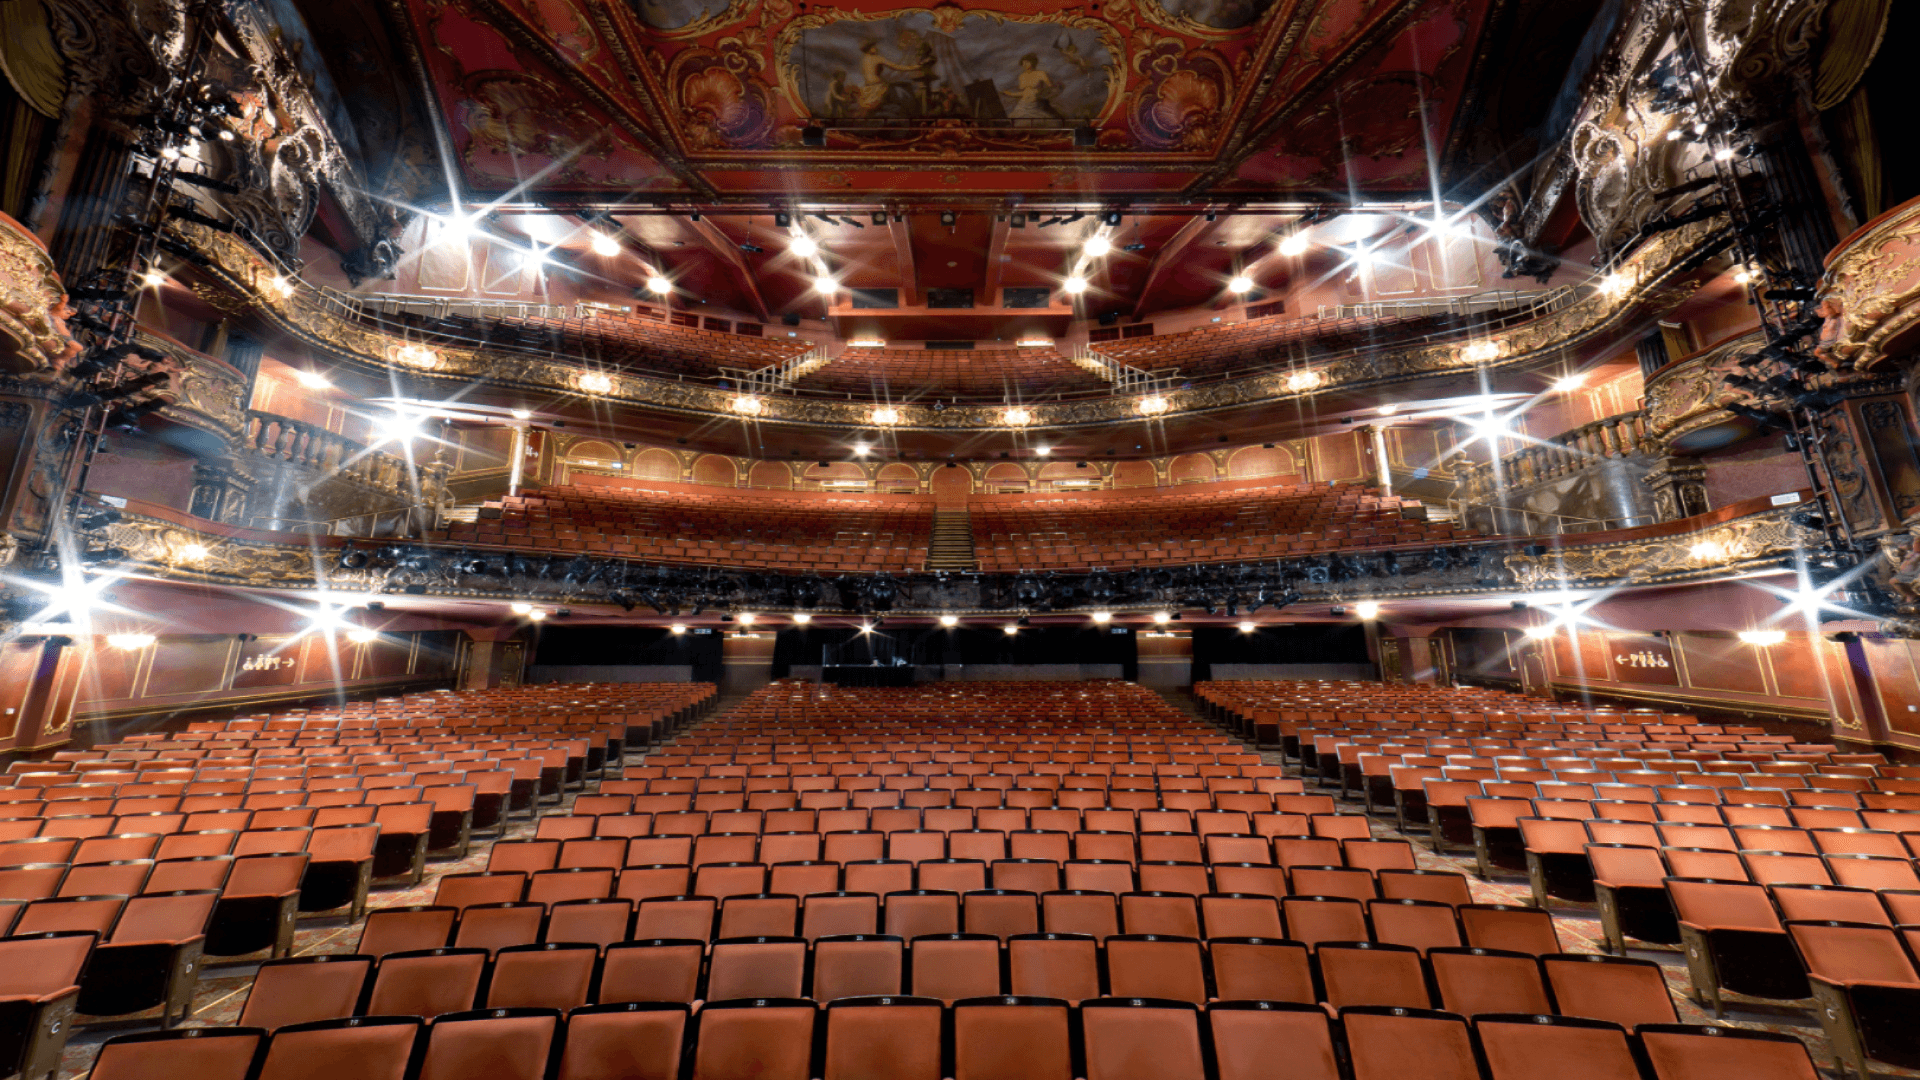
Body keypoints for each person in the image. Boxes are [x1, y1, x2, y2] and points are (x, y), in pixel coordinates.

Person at [1002, 53, 1058, 123]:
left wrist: (1041, 95)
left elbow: (1051, 89)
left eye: (1027, 62)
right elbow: (1024, 93)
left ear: (1033, 62)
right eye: (1023, 63)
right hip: (1022, 104)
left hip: (1036, 103)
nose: (1024, 65)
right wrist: (1010, 94)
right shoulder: (1022, 76)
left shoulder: (1041, 73)